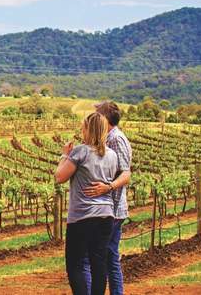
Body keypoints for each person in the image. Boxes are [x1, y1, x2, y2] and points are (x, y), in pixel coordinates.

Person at [55, 112, 123, 295]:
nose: (81, 131)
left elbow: (59, 177)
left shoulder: (81, 151)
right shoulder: (112, 155)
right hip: (106, 216)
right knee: (98, 264)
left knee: (75, 264)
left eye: (83, 128)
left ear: (89, 130)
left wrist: (64, 155)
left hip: (82, 216)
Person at [82, 101, 134, 295]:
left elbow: (125, 174)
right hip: (107, 208)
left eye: (97, 114)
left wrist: (108, 187)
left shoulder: (116, 139)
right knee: (109, 256)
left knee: (98, 256)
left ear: (104, 119)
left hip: (112, 208)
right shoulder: (108, 138)